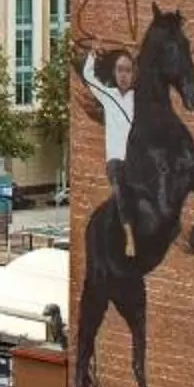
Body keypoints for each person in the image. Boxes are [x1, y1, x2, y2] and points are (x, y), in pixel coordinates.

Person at [77, 47, 140, 258]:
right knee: (121, 189)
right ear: (114, 72)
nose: (124, 75)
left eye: (128, 70)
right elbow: (89, 77)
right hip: (116, 160)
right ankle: (129, 237)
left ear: (133, 74)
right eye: (120, 70)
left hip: (135, 159)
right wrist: (92, 56)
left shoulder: (137, 98)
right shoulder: (109, 95)